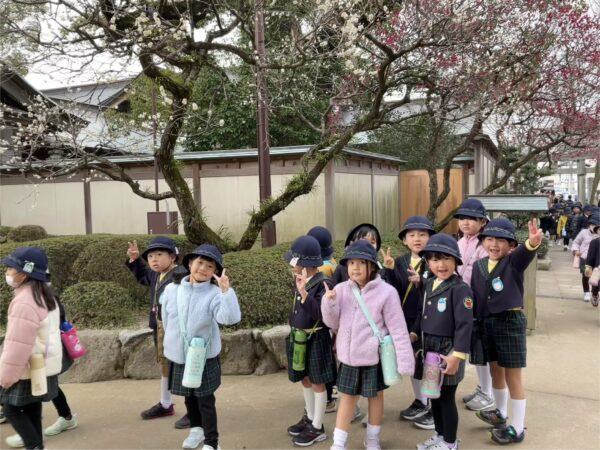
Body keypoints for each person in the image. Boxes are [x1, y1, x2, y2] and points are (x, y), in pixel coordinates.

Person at [322, 240, 415, 450]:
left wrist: (405, 361)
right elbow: (332, 323)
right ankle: (339, 443)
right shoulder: (340, 289)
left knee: (375, 398)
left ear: (372, 265)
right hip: (349, 358)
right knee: (347, 399)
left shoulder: (387, 292)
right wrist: (329, 303)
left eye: (361, 263)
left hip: (374, 357)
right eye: (351, 263)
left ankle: (373, 439)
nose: (355, 267)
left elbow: (398, 329)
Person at [160, 244, 241, 450]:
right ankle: (196, 430)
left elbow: (229, 319)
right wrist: (173, 343)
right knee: (189, 396)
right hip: (180, 354)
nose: (203, 268)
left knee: (205, 400)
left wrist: (226, 292)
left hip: (202, 356)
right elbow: (166, 320)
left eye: (210, 266)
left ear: (215, 272)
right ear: (190, 263)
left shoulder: (214, 293)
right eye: (200, 262)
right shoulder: (172, 290)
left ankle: (212, 443)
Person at [471, 218, 542, 445]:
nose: (494, 244)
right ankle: (500, 413)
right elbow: (476, 296)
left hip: (510, 322)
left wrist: (532, 243)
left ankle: (517, 427)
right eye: (489, 239)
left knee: (513, 376)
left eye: (501, 240)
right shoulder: (478, 266)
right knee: (495, 370)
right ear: (483, 241)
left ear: (511, 245)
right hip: (486, 322)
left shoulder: (513, 262)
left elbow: (525, 253)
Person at [412, 234, 474, 450]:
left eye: (447, 258)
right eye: (435, 259)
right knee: (434, 396)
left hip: (448, 351)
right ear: (428, 262)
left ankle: (450, 443)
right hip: (429, 349)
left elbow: (465, 325)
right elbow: (422, 313)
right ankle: (440, 435)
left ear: (456, 260)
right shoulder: (429, 284)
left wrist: (457, 355)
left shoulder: (460, 289)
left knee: (447, 398)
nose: (441, 264)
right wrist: (414, 334)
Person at [0, 247, 62, 450]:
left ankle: (35, 446)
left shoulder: (24, 302)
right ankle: (37, 446)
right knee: (32, 408)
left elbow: (17, 346)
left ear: (24, 273)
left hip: (25, 368)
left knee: (11, 409)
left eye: (10, 269)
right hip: (42, 366)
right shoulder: (45, 295)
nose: (7, 273)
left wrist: (6, 378)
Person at [379, 216, 436, 429]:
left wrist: (423, 282)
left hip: (431, 320)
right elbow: (394, 290)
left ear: (430, 237)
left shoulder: (436, 259)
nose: (417, 239)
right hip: (406, 320)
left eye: (422, 234)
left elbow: (446, 284)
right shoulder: (401, 261)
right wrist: (389, 270)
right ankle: (421, 401)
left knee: (431, 363)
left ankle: (435, 408)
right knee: (413, 362)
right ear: (404, 240)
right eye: (411, 235)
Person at [126, 237, 188, 427]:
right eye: (150, 256)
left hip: (177, 330)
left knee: (183, 367)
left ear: (173, 257)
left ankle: (193, 409)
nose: (154, 259)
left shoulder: (180, 275)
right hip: (159, 327)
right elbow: (143, 275)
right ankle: (165, 403)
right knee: (164, 364)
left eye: (159, 254)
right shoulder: (155, 275)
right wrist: (135, 260)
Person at [284, 235, 337, 446]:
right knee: (304, 378)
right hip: (299, 338)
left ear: (305, 264)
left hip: (316, 338)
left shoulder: (324, 284)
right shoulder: (300, 279)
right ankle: (310, 416)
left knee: (317, 382)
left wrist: (305, 295)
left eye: (294, 261)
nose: (291, 265)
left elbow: (321, 315)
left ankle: (317, 426)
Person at [5, 298, 79, 449]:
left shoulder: (35, 297)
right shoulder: (44, 294)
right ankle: (64, 418)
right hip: (48, 352)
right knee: (45, 387)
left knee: (28, 397)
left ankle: (31, 435)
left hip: (43, 353)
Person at [450, 199, 495, 413]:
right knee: (475, 351)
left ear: (482, 222)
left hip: (479, 304)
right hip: (463, 301)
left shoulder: (485, 244)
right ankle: (482, 387)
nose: (465, 223)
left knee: (481, 350)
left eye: (471, 219)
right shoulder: (460, 242)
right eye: (462, 218)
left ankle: (488, 393)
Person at [306, 226, 338, 414]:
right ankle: (330, 392)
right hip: (332, 317)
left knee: (323, 362)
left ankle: (327, 397)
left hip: (322, 321)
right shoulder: (332, 262)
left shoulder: (321, 269)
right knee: (329, 358)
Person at [571, 209, 600, 303]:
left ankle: (594, 293)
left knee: (596, 278)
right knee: (586, 276)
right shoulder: (583, 232)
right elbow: (576, 242)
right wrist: (576, 250)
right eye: (593, 225)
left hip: (597, 261)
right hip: (585, 258)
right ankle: (586, 292)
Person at [583, 209, 600, 307]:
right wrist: (588, 269)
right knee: (596, 284)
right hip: (597, 268)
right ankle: (594, 294)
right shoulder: (595, 242)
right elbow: (590, 257)